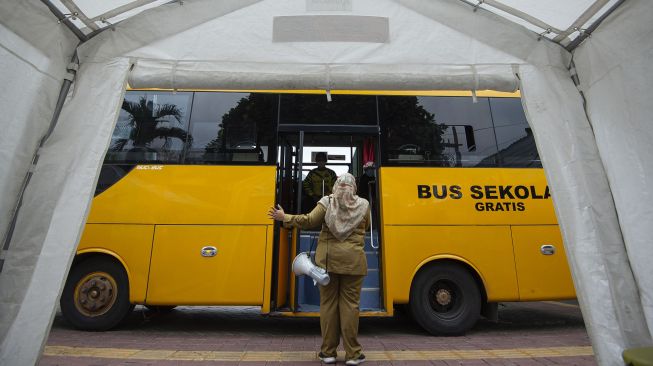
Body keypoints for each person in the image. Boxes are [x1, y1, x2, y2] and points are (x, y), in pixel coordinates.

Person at [268, 173, 369, 365]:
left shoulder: (327, 202)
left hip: (328, 262)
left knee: (329, 306)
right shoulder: (364, 205)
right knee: (350, 307)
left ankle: (328, 353)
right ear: (354, 187)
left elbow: (308, 221)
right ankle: (353, 355)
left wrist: (284, 217)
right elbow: (368, 225)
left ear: (336, 185)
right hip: (354, 263)